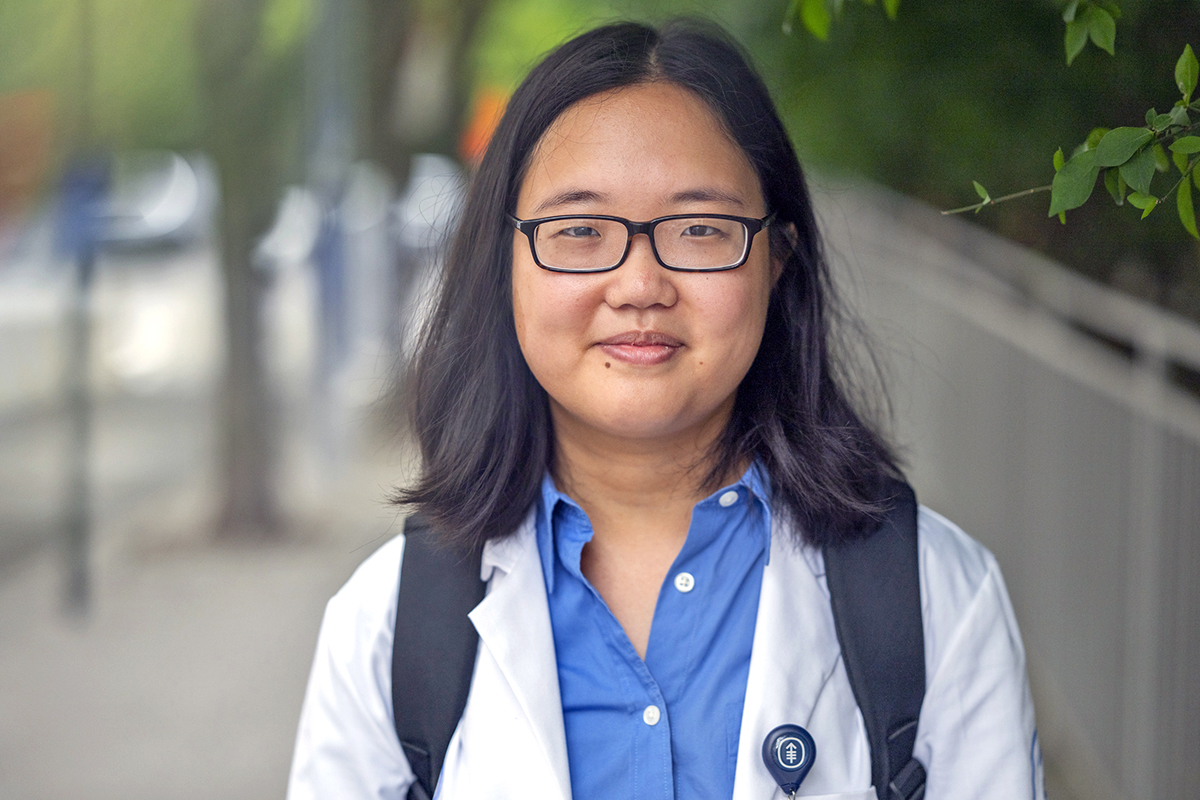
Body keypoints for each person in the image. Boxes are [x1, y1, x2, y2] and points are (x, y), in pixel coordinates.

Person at [287, 19, 1043, 800]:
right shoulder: (389, 627)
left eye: (700, 229)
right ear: (501, 262)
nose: (641, 284)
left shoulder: (932, 597)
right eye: (580, 230)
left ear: (777, 259)